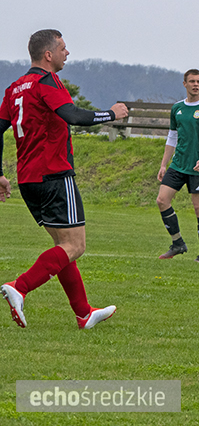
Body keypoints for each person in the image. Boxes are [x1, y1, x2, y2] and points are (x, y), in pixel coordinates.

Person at [0, 29, 128, 328]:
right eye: (63, 48)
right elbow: (72, 115)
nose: (67, 53)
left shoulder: (15, 87)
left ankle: (83, 312)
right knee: (75, 246)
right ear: (48, 54)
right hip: (55, 174)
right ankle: (20, 286)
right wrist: (111, 114)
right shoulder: (46, 82)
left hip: (28, 178)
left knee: (62, 245)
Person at [156, 69, 199, 263]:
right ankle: (178, 243)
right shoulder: (177, 108)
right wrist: (164, 164)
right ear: (184, 84)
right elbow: (172, 137)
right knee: (162, 200)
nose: (195, 84)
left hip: (198, 167)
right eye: (192, 81)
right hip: (178, 165)